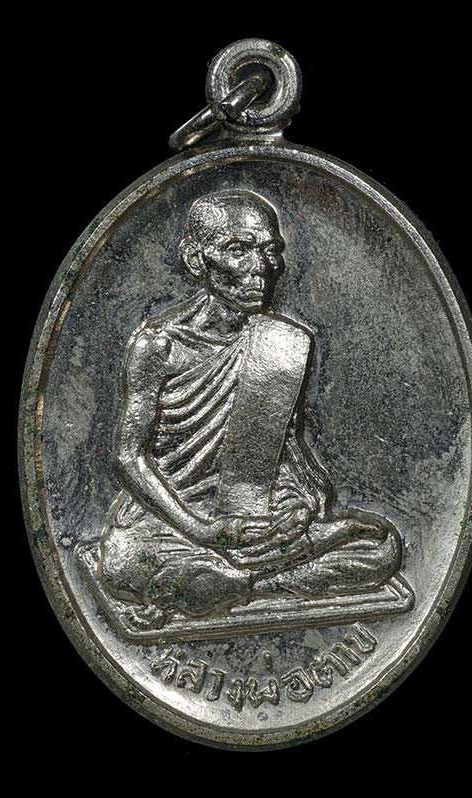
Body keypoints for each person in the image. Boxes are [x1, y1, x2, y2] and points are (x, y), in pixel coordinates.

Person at [99, 189, 402, 622]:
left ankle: (218, 587)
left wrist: (297, 505)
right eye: (238, 250)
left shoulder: (284, 343)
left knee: (380, 548)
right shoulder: (159, 345)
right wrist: (203, 529)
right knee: (123, 560)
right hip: (172, 523)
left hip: (255, 519)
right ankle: (240, 582)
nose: (260, 266)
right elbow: (130, 458)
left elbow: (287, 451)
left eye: (269, 251)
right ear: (196, 259)